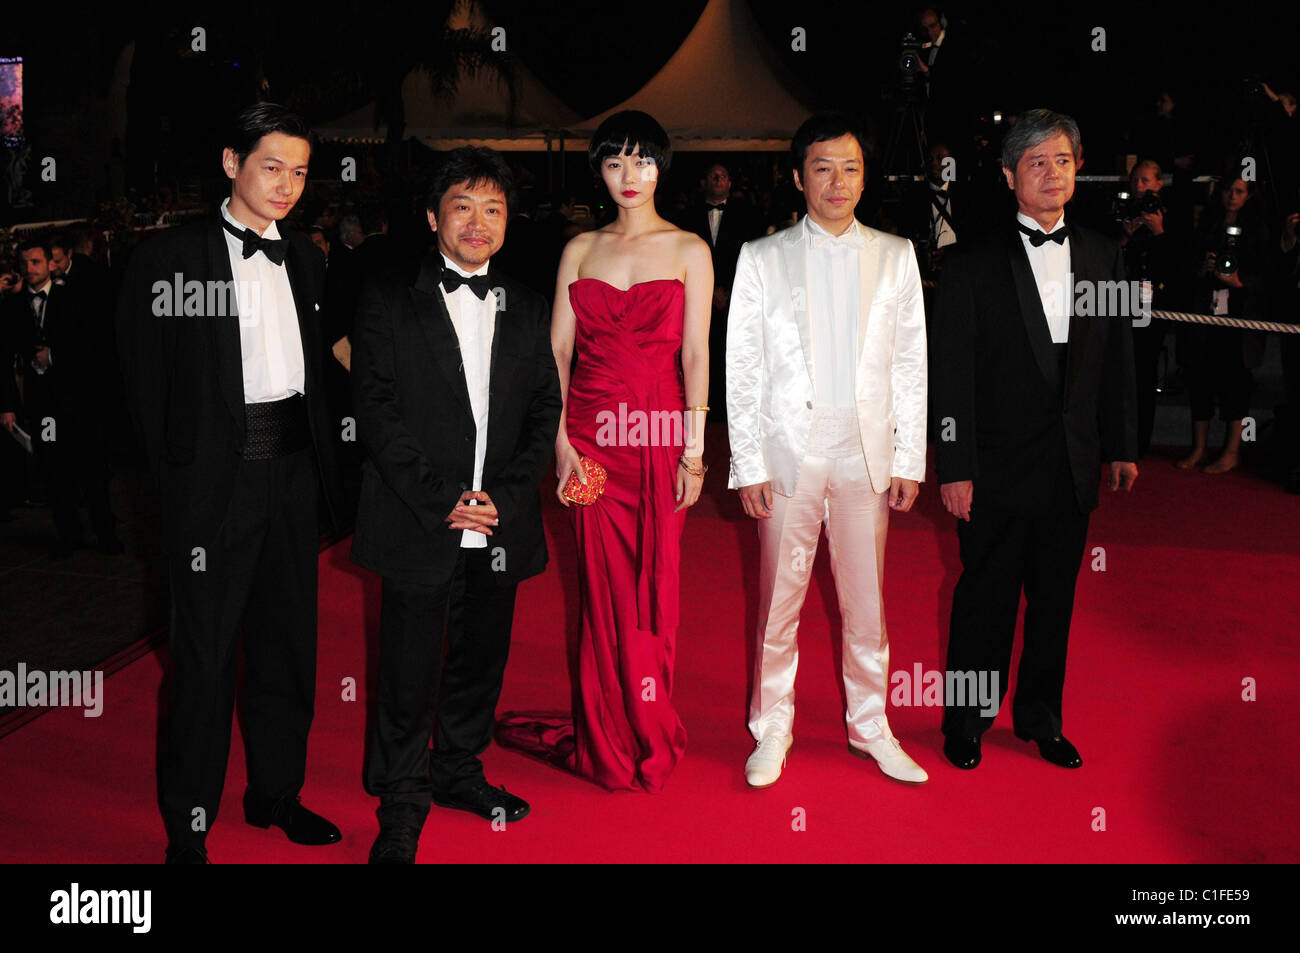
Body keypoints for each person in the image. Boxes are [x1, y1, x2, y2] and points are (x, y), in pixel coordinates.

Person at [115, 103, 344, 863]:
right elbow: (144, 389)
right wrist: (181, 486)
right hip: (212, 485)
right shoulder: (169, 258)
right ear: (230, 163)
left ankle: (276, 792)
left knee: (288, 649)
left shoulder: (307, 257)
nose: (287, 185)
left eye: (301, 171)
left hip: (291, 477)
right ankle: (190, 822)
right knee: (205, 658)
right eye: (271, 166)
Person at [350, 146, 561, 863]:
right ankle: (401, 797)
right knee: (408, 666)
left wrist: (499, 498)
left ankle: (458, 769)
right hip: (421, 515)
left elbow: (544, 411)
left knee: (480, 660)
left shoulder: (528, 306)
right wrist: (445, 499)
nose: (479, 222)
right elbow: (376, 411)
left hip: (499, 521)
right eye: (463, 206)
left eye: (494, 208)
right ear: (434, 215)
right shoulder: (386, 297)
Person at [498, 110, 712, 793]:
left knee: (656, 588)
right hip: (588, 439)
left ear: (662, 167)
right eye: (615, 162)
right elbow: (556, 351)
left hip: (657, 441)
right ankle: (607, 737)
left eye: (643, 161)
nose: (629, 176)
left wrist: (696, 451)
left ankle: (648, 721)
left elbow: (698, 353)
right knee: (601, 590)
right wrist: (560, 447)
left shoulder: (689, 250)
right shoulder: (579, 250)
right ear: (599, 169)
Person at [727, 111, 929, 788]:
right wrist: (747, 460)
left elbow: (910, 363)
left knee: (866, 603)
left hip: (864, 452)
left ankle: (871, 725)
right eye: (822, 168)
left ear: (865, 178)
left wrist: (908, 457)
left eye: (850, 168)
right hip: (790, 450)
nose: (837, 182)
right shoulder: (761, 257)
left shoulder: (897, 254)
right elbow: (744, 365)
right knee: (778, 603)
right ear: (797, 177)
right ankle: (771, 726)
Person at [934, 108, 1138, 772]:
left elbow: (1116, 361)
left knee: (1056, 601)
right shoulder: (968, 263)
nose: (1052, 173)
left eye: (1063, 159)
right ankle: (966, 720)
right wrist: (955, 465)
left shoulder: (1107, 253)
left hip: (1070, 463)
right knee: (984, 598)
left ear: (1078, 167)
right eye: (1036, 162)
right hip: (992, 467)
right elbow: (953, 375)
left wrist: (1124, 444)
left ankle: (1042, 718)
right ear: (1008, 176)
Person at [2, 239, 121, 557]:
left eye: (37, 262)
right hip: (43, 407)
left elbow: (94, 343)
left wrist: (54, 356)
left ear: (50, 264)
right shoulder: (13, 307)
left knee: (92, 470)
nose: (30, 269)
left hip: (80, 401)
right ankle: (70, 536)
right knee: (54, 472)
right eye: (25, 263)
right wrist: (8, 406)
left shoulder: (73, 298)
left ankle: (106, 534)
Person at [1177, 176, 1272, 473]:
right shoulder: (1207, 226)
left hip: (1240, 321)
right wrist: (1203, 267)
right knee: (1200, 381)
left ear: (1249, 196)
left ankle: (1232, 451)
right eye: (1228, 190)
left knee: (1236, 386)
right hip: (1205, 317)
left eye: (1239, 191)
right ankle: (1200, 448)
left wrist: (1240, 281)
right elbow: (1185, 269)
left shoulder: (1259, 231)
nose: (1232, 196)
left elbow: (1269, 276)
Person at [683, 163, 762, 416]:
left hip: (735, 296)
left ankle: (730, 410)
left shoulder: (748, 215)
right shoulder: (687, 216)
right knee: (699, 350)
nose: (718, 179)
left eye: (723, 176)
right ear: (704, 182)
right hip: (696, 297)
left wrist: (727, 289)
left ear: (729, 183)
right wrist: (707, 290)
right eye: (713, 175)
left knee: (733, 353)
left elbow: (751, 254)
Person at [1119, 159, 1184, 458]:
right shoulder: (1122, 212)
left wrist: (1159, 231)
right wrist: (1125, 235)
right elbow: (1105, 259)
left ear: (1159, 184)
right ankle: (1115, 441)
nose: (1139, 187)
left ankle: (1139, 445)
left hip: (1154, 307)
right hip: (1119, 302)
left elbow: (1177, 267)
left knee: (1144, 376)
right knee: (1117, 374)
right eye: (1135, 181)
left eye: (1145, 181)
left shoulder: (1171, 217)